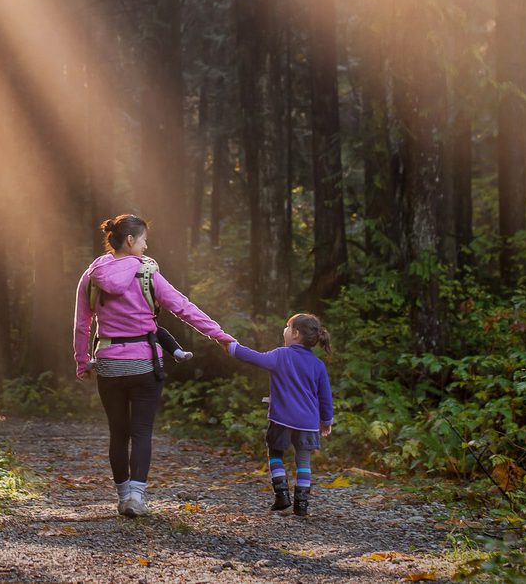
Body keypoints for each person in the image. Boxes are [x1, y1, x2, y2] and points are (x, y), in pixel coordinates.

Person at [74, 214, 235, 517]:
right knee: (142, 432)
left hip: (109, 363)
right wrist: (220, 336)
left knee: (118, 433)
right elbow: (184, 308)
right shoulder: (147, 274)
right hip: (145, 364)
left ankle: (123, 498)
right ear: (131, 240)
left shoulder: (92, 274)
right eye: (145, 240)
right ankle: (137, 497)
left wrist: (83, 361)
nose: (147, 247)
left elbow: (82, 324)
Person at [225, 313, 333, 516]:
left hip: (282, 418)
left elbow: (255, 357)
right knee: (304, 461)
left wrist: (232, 347)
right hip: (308, 422)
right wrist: (326, 420)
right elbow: (325, 396)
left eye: (287, 326)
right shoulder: (318, 365)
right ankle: (301, 504)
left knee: (275, 453)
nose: (284, 330)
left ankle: (282, 494)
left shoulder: (281, 355)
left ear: (295, 334)